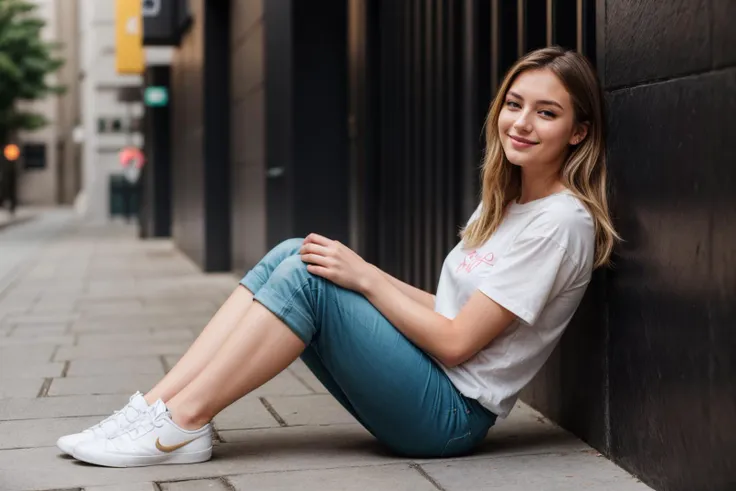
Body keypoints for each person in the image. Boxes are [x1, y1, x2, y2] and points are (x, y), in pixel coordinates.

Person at [57, 46, 619, 468]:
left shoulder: (561, 222)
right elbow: (453, 308)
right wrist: (358, 274)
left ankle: (183, 422)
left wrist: (368, 277)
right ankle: (154, 409)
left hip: (450, 415)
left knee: (310, 277)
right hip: (427, 382)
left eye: (547, 113)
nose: (521, 123)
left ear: (578, 132)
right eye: (515, 104)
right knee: (296, 253)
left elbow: (456, 341)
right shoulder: (507, 203)